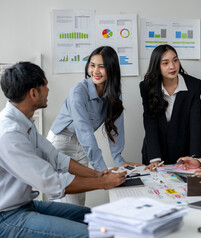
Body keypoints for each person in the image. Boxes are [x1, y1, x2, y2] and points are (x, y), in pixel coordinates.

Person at [0, 62, 127, 238]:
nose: (48, 90)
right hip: (1, 220)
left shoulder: (22, 122)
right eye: (45, 85)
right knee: (88, 235)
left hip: (23, 206)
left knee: (96, 217)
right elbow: (52, 183)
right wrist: (104, 183)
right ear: (33, 93)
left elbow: (56, 158)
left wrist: (97, 175)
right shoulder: (7, 134)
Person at [48, 46, 140, 205]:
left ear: (111, 68)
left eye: (102, 66)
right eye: (92, 65)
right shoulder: (78, 92)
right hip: (62, 142)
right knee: (66, 201)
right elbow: (85, 132)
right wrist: (103, 172)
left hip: (83, 146)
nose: (95, 71)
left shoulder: (114, 93)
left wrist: (119, 160)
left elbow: (117, 128)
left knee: (78, 202)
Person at [140, 44, 201, 170]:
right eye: (165, 63)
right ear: (157, 66)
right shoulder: (147, 87)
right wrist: (155, 158)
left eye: (175, 60)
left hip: (182, 152)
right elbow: (150, 121)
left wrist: (194, 158)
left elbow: (196, 124)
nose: (172, 66)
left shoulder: (193, 85)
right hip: (155, 151)